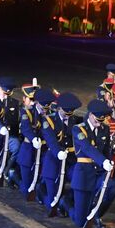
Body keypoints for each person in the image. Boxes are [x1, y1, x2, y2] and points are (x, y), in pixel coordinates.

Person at [70, 99, 115, 228]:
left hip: (99, 173)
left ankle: (96, 214)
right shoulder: (78, 129)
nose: (99, 123)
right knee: (80, 221)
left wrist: (108, 162)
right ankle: (66, 205)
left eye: (102, 121)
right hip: (84, 174)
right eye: (97, 120)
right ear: (90, 115)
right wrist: (103, 161)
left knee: (111, 188)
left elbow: (107, 149)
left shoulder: (104, 129)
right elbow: (87, 148)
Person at [38, 90, 77, 219]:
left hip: (70, 159)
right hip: (54, 159)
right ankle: (45, 197)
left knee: (79, 180)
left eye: (70, 113)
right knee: (52, 196)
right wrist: (59, 152)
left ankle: (64, 201)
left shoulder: (74, 120)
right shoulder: (48, 121)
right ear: (59, 108)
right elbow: (51, 140)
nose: (68, 116)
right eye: (66, 113)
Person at [16, 83, 43, 198]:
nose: (32, 102)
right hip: (28, 148)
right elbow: (26, 129)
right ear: (24, 99)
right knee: (27, 186)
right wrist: (33, 139)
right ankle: (15, 178)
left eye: (35, 99)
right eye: (30, 99)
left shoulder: (41, 111)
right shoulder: (24, 112)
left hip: (41, 149)